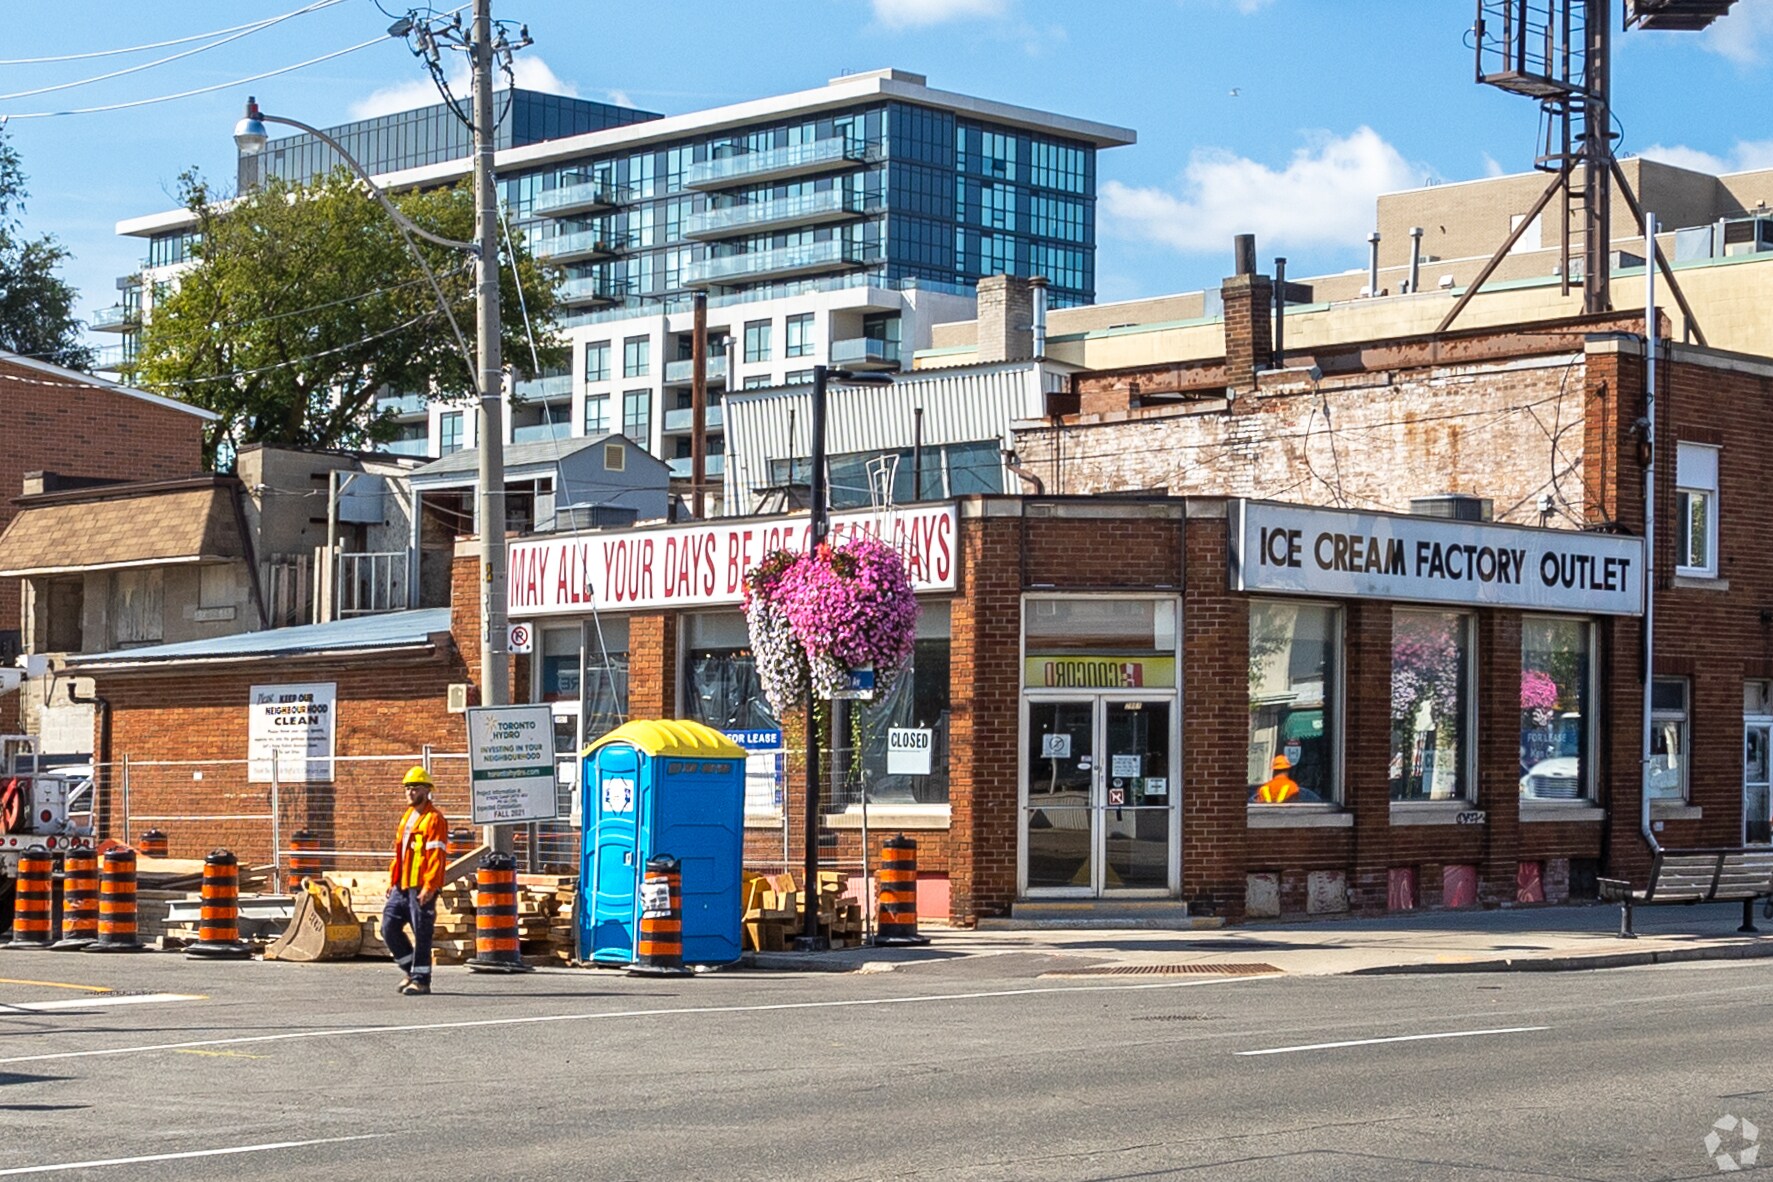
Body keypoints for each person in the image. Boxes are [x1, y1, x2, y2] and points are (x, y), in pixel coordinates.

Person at [383, 765, 447, 996]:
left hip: (421, 887)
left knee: (421, 933)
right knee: (388, 928)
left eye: (415, 788)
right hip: (401, 886)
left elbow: (436, 856)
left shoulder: (434, 819)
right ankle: (410, 970)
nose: (410, 792)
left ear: (427, 790)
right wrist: (393, 881)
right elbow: (399, 855)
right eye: (407, 788)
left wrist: (430, 886)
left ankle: (421, 980)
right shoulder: (407, 818)